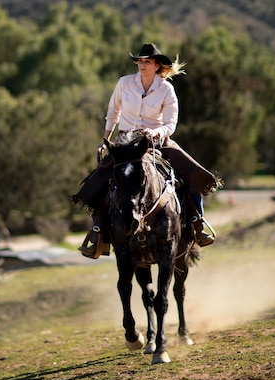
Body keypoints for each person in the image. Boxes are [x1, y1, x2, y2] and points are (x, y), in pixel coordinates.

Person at [73, 43, 222, 258]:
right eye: (140, 61)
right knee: (99, 180)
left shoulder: (166, 89)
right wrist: (105, 139)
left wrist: (158, 132)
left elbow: (171, 122)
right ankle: (97, 232)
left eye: (147, 62)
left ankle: (197, 223)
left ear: (157, 65)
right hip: (125, 141)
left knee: (191, 172)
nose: (142, 65)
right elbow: (113, 111)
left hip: (156, 141)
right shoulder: (124, 83)